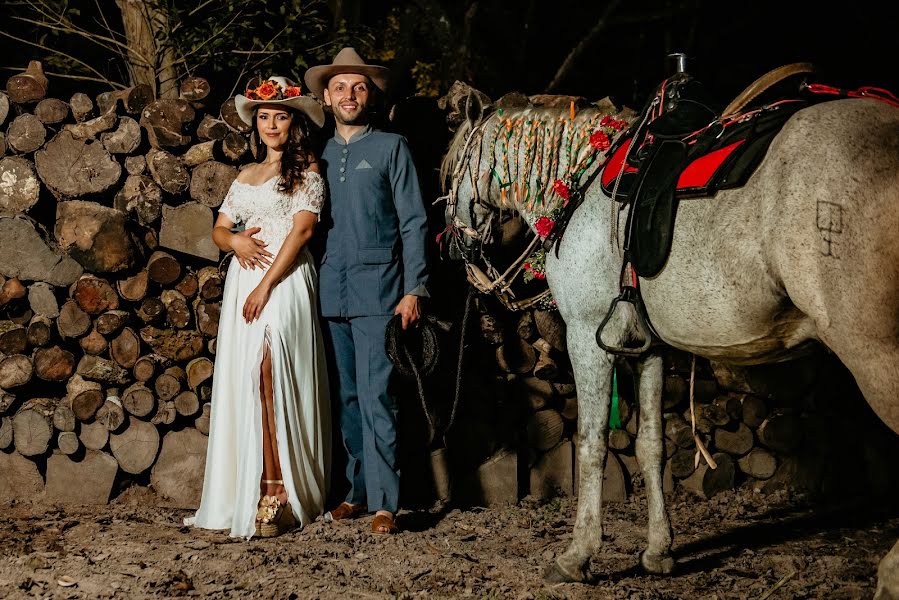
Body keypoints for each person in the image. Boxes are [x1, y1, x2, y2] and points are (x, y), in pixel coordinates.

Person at [185, 76, 331, 539]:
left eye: (280, 116)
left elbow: (303, 231)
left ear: (295, 122)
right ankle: (254, 485)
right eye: (264, 117)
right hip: (243, 281)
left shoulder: (308, 170)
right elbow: (219, 230)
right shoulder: (245, 175)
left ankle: (282, 490)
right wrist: (236, 241)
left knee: (273, 371)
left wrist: (266, 285)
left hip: (283, 283)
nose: (271, 124)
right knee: (248, 376)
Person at [304, 48, 429, 535]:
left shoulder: (392, 147)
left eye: (358, 87)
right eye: (340, 88)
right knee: (348, 397)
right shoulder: (318, 154)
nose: (349, 95)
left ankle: (385, 502)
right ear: (326, 98)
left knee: (378, 394)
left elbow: (415, 221)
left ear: (369, 95)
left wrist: (415, 286)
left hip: (380, 289)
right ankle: (355, 491)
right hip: (329, 290)